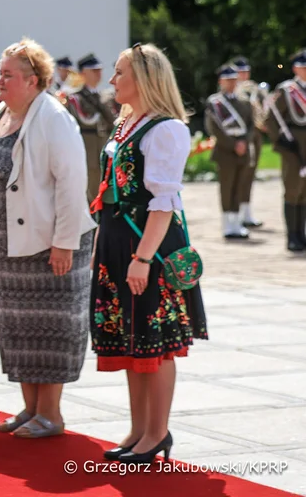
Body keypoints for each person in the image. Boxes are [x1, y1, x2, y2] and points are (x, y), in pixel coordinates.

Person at [0, 38, 95, 437]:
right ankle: (30, 408)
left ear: (34, 80)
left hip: (47, 244)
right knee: (18, 329)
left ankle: (50, 414)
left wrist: (65, 242)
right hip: (6, 247)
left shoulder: (52, 117)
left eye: (8, 75)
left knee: (49, 330)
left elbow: (72, 183)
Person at [90, 43, 207, 464]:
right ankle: (139, 430)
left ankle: (157, 433)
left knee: (153, 343)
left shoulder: (166, 129)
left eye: (120, 72)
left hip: (148, 247)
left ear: (144, 78)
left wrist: (141, 258)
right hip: (120, 242)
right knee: (131, 341)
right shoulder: (128, 123)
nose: (112, 79)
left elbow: (163, 202)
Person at [204, 64, 254, 240]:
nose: (232, 83)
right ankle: (227, 224)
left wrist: (244, 142)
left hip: (242, 149)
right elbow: (214, 128)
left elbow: (250, 125)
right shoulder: (215, 102)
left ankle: (237, 223)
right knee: (227, 187)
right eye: (228, 80)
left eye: (234, 79)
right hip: (225, 150)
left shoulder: (244, 101)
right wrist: (234, 145)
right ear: (220, 81)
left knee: (240, 186)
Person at [266, 49, 306, 252]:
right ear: (296, 68)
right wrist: (280, 141)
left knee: (305, 193)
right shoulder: (287, 90)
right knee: (293, 191)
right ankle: (292, 236)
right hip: (293, 147)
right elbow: (271, 119)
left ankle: (302, 234)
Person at [62, 54, 116, 203]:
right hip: (86, 150)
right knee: (88, 192)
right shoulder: (74, 98)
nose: (99, 74)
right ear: (83, 74)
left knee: (101, 188)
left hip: (101, 149)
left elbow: (111, 121)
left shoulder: (102, 97)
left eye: (99, 70)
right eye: (94, 71)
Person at [232, 57, 265, 228]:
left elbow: (263, 109)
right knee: (238, 176)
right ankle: (235, 214)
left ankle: (247, 212)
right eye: (240, 72)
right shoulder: (232, 91)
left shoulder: (254, 88)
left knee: (250, 174)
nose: (244, 75)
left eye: (246, 71)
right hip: (240, 137)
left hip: (256, 135)